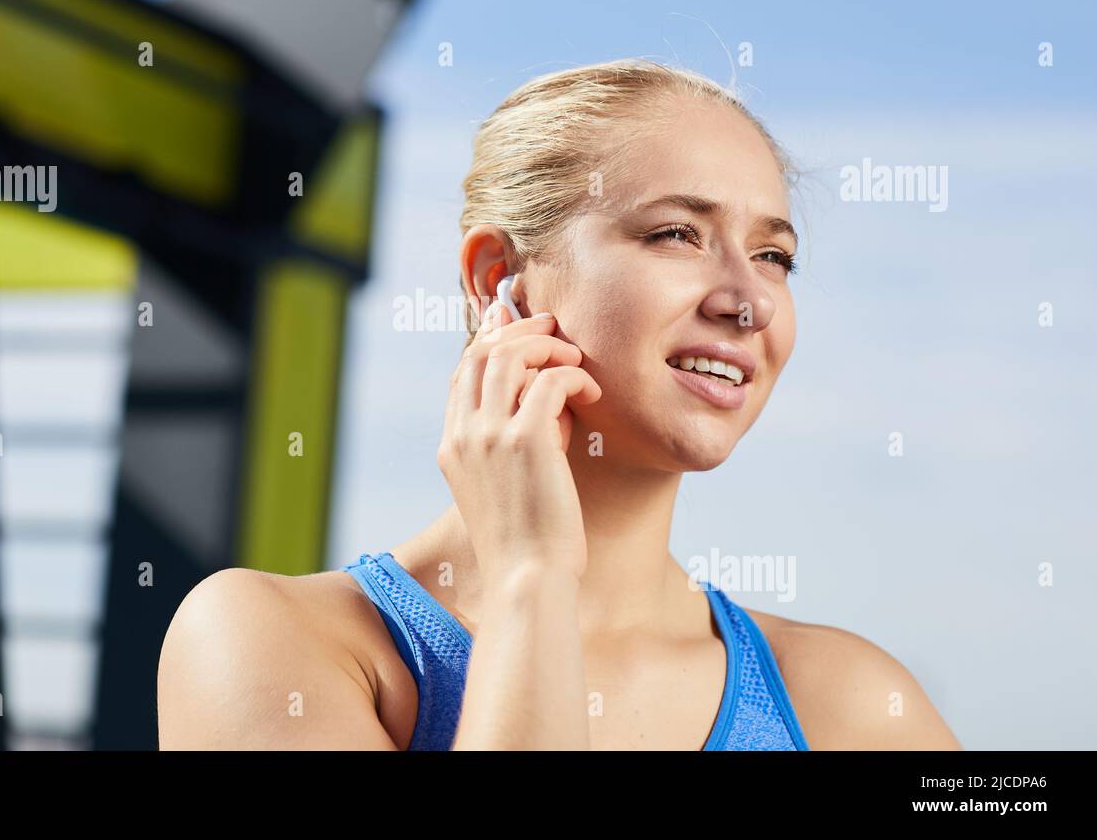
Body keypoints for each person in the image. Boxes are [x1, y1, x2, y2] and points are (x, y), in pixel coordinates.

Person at [156, 58, 961, 750]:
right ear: (493, 279)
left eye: (774, 255)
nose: (748, 301)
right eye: (677, 234)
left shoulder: (851, 705)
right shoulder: (273, 642)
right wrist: (532, 579)